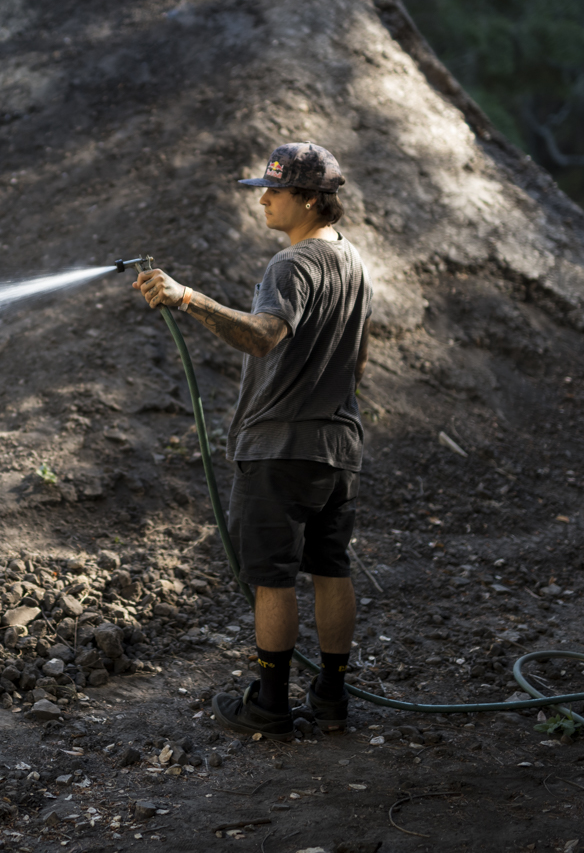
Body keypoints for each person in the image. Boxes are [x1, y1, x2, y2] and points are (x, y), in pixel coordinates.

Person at [132, 142, 371, 739]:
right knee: (331, 568)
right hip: (337, 446)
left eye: (275, 190)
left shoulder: (291, 266)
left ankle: (269, 703)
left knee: (273, 578)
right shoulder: (352, 262)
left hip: (280, 449)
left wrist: (188, 298)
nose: (262, 199)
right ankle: (333, 698)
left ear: (311, 198)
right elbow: (357, 361)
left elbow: (264, 336)